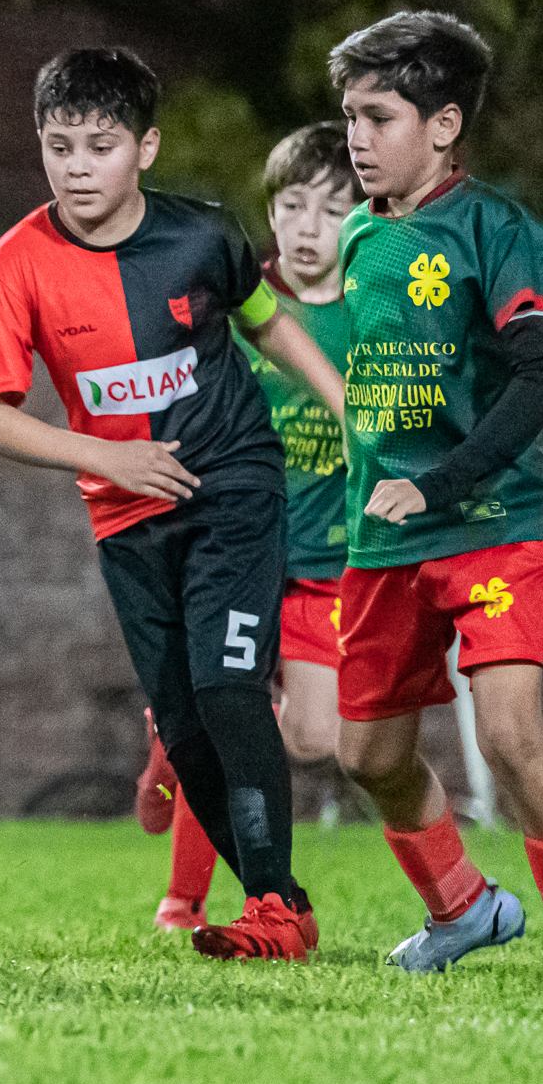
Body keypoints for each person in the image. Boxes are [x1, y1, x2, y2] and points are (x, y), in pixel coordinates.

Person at [0, 48, 345, 960]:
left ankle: (276, 909)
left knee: (227, 689)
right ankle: (271, 899)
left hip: (234, 487)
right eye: (60, 145)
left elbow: (266, 320)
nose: (78, 165)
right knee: (183, 720)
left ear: (147, 148)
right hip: (124, 515)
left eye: (101, 144)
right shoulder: (17, 264)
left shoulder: (204, 235)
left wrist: (345, 406)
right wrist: (101, 454)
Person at [327, 10, 543, 984]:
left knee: (507, 729)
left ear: (442, 125)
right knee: (362, 752)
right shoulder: (357, 233)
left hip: (492, 525)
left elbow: (539, 379)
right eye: (348, 117)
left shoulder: (500, 231)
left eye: (376, 115)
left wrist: (440, 481)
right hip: (381, 535)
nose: (354, 137)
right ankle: (467, 907)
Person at [137, 122, 356, 931]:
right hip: (230, 538)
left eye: (329, 211)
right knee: (232, 713)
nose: (305, 227)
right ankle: (184, 899)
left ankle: (173, 742)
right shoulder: (237, 303)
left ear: (361, 219)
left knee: (313, 736)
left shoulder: (377, 316)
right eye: (291, 206)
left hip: (323, 559)